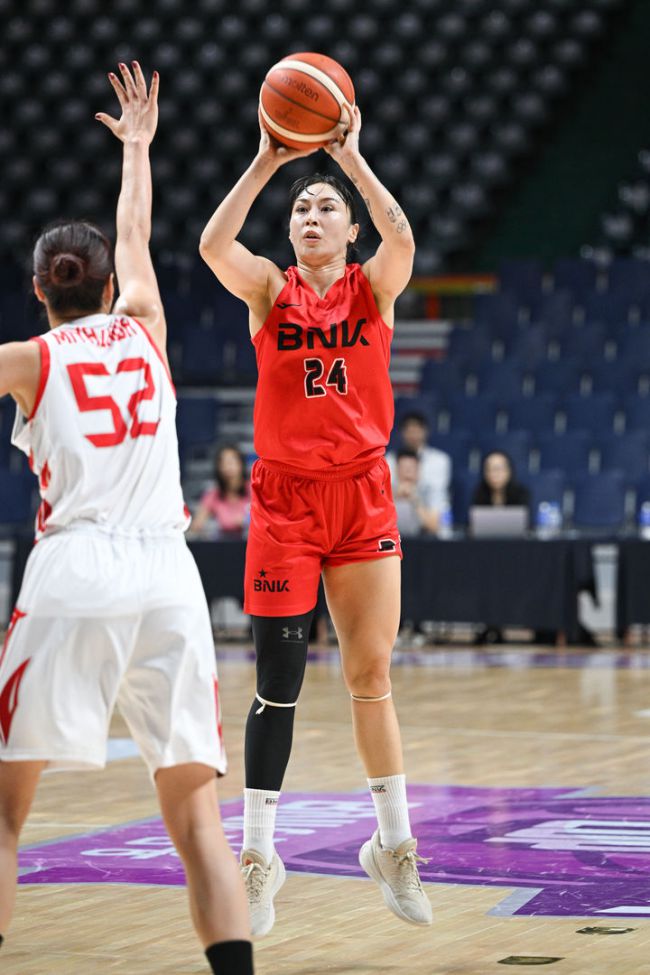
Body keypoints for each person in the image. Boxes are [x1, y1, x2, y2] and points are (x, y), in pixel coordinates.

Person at [0, 64, 253, 975]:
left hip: (75, 566)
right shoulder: (146, 325)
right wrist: (137, 147)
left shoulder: (30, 358)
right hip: (167, 575)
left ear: (40, 290)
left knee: (5, 816)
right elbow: (137, 229)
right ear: (110, 284)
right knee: (197, 820)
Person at [199, 104, 432, 936]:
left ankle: (393, 843)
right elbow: (212, 246)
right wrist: (267, 162)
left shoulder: (375, 286)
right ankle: (260, 856)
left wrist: (352, 160)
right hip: (286, 501)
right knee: (279, 681)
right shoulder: (270, 288)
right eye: (301, 207)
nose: (311, 215)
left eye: (326, 206)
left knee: (371, 672)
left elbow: (403, 238)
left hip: (362, 493)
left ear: (350, 228)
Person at [472, 451, 530, 645]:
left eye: (498, 469)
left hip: (517, 554)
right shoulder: (479, 493)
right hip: (486, 555)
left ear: (508, 471)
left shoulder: (521, 493)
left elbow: (525, 524)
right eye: (489, 469)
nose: (494, 474)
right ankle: (488, 625)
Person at [387, 411, 451, 524]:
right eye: (409, 431)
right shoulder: (388, 460)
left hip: (427, 518)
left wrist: (414, 499)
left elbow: (440, 522)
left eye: (416, 430)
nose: (413, 436)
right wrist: (396, 495)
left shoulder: (440, 460)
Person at [192, 444, 251, 538]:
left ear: (241, 464)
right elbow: (196, 526)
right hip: (223, 543)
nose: (228, 467)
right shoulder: (213, 494)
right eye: (224, 463)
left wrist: (246, 521)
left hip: (250, 542)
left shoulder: (253, 490)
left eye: (232, 461)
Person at [393, 449, 440, 537]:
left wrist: (414, 500)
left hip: (419, 541)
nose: (407, 472)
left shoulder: (427, 493)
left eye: (411, 468)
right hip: (392, 541)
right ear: (396, 469)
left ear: (418, 470)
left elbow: (434, 527)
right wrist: (394, 498)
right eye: (403, 467)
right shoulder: (386, 492)